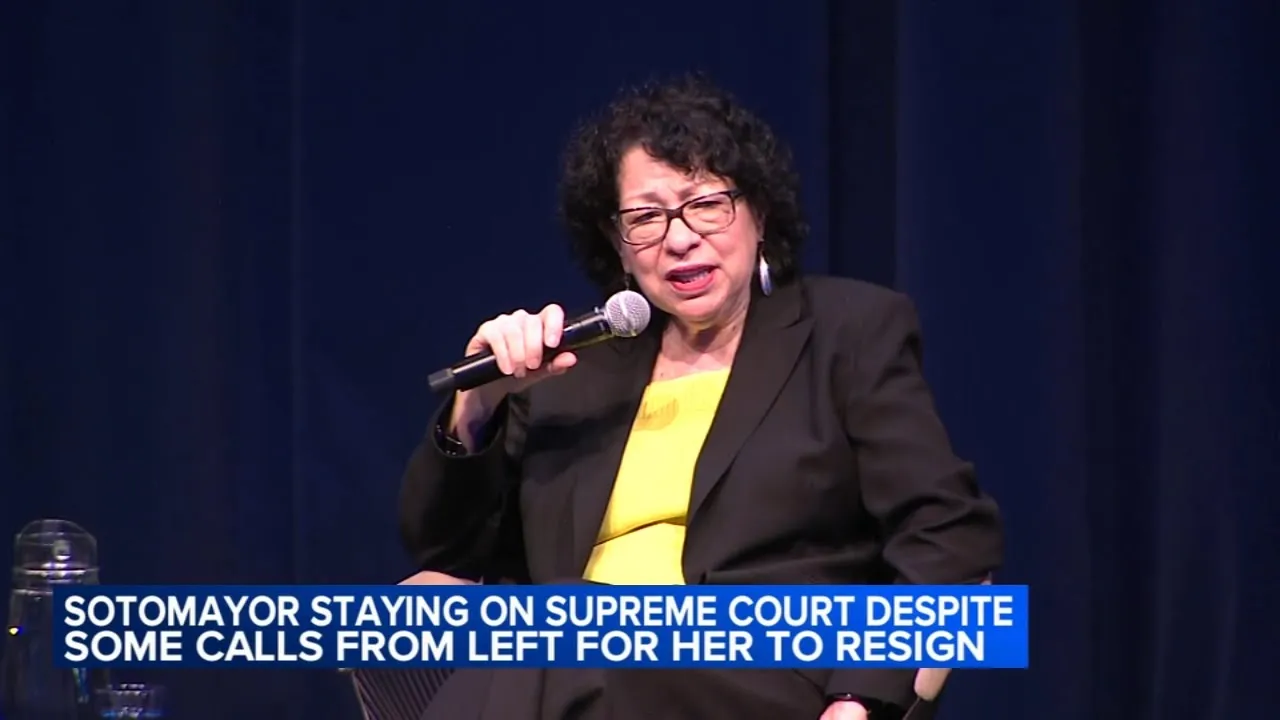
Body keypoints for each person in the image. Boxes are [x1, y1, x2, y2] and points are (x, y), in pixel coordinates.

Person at [397, 74, 1003, 720]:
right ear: (617, 244)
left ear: (759, 214)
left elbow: (947, 534)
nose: (680, 238)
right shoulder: (568, 374)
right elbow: (445, 557)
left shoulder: (846, 332)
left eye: (706, 205)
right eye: (645, 218)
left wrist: (860, 699)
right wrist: (480, 403)